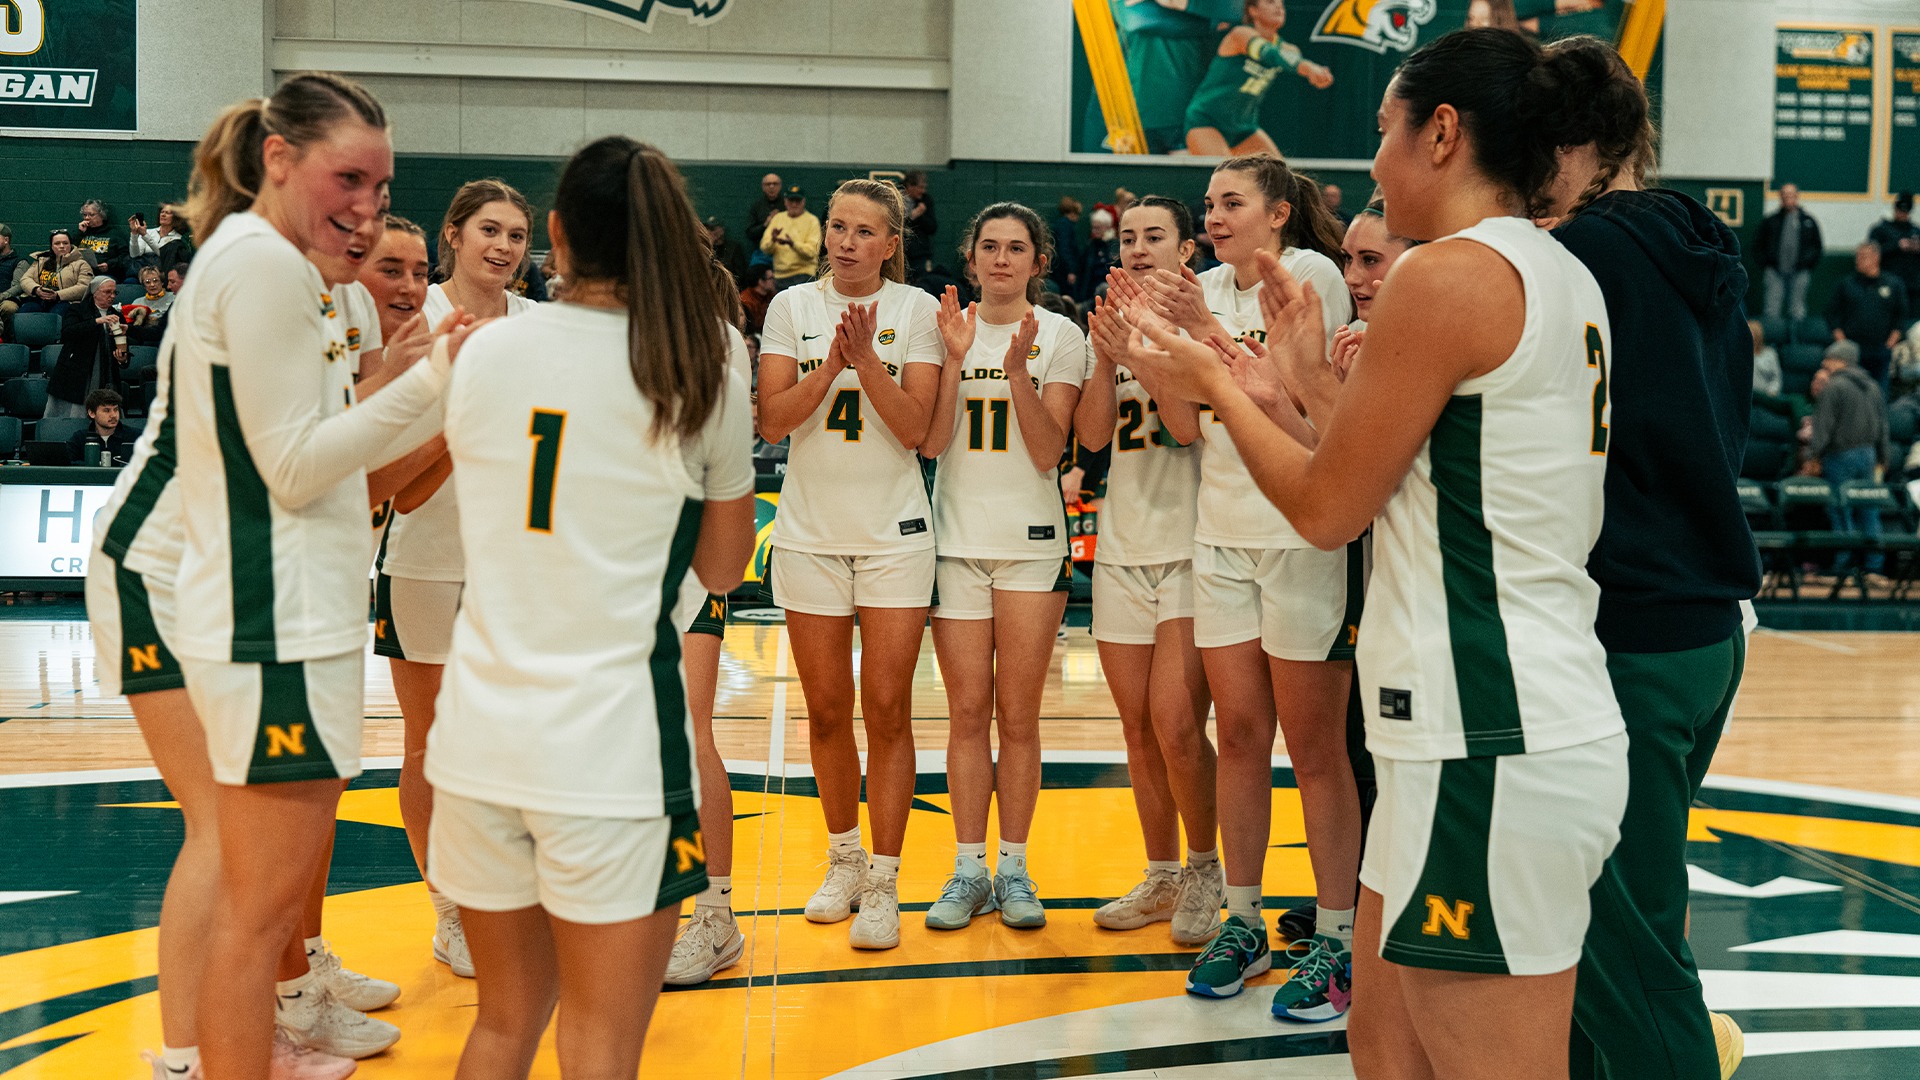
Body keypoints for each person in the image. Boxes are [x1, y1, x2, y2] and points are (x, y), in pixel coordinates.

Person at [1118, 27, 1630, 1076]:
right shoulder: (1547, 266)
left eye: (1384, 131)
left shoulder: (1449, 277)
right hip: (1465, 730)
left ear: (1443, 133)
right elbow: (1408, 481)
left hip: (1487, 725)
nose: (1372, 161)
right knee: (1384, 1047)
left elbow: (1325, 509)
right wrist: (1294, 382)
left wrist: (1215, 381)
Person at [426, 133, 755, 1080]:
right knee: (602, 1045)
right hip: (613, 751)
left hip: (481, 739)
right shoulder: (705, 364)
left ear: (557, 233)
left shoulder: (485, 351)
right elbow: (727, 570)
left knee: (500, 1025)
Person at [165, 71, 470, 1079]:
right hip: (270, 624)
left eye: (381, 187)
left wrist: (405, 379)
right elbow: (293, 464)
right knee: (255, 925)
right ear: (278, 159)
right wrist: (431, 381)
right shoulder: (257, 267)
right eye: (350, 178)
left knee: (257, 917)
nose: (367, 206)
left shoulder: (278, 266)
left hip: (288, 617)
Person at [1541, 35, 1762, 1080]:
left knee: (1622, 935)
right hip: (1707, 624)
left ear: (1573, 143)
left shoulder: (1577, 256)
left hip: (1629, 627)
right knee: (1624, 916)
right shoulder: (1702, 247)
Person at [1125, 153, 1360, 1019]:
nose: (1215, 216)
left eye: (1232, 202)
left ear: (1280, 212)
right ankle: (1245, 918)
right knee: (1243, 734)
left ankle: (1336, 940)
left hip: (1298, 529)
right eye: (1210, 203)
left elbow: (1301, 404)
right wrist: (1149, 353)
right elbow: (1189, 426)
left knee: (1317, 749)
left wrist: (1201, 335)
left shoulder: (1311, 277)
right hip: (1219, 532)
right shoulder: (1196, 288)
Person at [754, 178, 946, 951]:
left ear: (892, 244)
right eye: (837, 227)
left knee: (889, 708)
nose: (844, 241)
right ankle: (842, 859)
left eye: (865, 231)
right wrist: (828, 363)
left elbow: (917, 430)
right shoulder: (790, 308)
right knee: (828, 711)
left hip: (895, 534)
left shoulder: (918, 312)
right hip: (808, 533)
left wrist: (866, 363)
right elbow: (773, 418)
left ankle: (885, 882)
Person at [376, 177, 536, 982]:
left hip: (522, 570)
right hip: (428, 562)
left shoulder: (543, 328)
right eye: (489, 230)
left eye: (516, 234)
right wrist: (463, 424)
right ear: (453, 234)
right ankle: (449, 911)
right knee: (429, 746)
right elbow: (399, 486)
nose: (504, 247)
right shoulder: (417, 318)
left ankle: (509, 896)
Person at [920, 202, 1088, 932]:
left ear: (1037, 262)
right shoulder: (942, 328)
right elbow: (929, 442)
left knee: (1018, 716)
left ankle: (1014, 869)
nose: (1001, 260)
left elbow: (1051, 449)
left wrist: (1018, 370)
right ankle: (967, 869)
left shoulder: (1061, 335)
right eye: (989, 246)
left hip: (1031, 543)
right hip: (955, 540)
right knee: (964, 714)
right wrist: (956, 358)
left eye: (1016, 248)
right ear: (970, 256)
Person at [1075, 197, 1221, 949]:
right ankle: (1162, 871)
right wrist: (1105, 354)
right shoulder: (1106, 327)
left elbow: (1185, 424)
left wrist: (1143, 351)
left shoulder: (1200, 324)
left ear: (1185, 250)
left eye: (1153, 236)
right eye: (1128, 238)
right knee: (1136, 728)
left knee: (1176, 722)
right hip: (1123, 545)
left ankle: (1205, 869)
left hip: (1193, 547)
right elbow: (1094, 436)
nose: (1136, 248)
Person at [663, 260, 757, 986]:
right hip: (617, 565)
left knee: (692, 734)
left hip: (687, 558)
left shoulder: (717, 351)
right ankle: (650, 905)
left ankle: (715, 913)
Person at [1081, 0, 1246, 155]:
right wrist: (1206, 23)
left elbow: (1232, 12)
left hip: (1188, 109)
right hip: (1130, 111)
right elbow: (1134, 17)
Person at [1182, 0, 1333, 158]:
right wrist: (1309, 68)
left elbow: (1288, 59)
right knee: (1226, 174)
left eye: (1281, 4)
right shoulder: (1240, 35)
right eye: (1270, 2)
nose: (1279, 7)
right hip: (1207, 121)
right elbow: (1268, 53)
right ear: (1253, 10)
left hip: (1244, 127)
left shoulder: (1289, 49)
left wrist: (1316, 74)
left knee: (1282, 178)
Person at [1807, 351, 1890, 574]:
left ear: (1842, 361)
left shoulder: (1834, 386)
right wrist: (1884, 456)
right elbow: (1883, 425)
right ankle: (1873, 568)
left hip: (1841, 456)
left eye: (1829, 359)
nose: (1824, 363)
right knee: (1869, 511)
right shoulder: (1873, 386)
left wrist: (1814, 456)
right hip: (1869, 455)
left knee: (1840, 511)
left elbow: (1824, 426)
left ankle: (1845, 565)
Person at [1826, 241, 1909, 392]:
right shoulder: (1846, 284)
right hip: (1852, 350)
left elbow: (1901, 315)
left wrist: (1892, 341)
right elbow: (1832, 314)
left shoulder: (1893, 284)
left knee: (1879, 392)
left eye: (1863, 256)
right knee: (1850, 390)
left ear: (1876, 258)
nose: (1859, 260)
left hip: (1880, 350)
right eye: (1857, 256)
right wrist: (1841, 340)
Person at [356, 215, 433, 380]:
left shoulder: (422, 361)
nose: (410, 288)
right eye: (392, 271)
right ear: (352, 272)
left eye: (420, 274)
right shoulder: (322, 347)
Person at [49, 277, 128, 419]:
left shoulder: (117, 316)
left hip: (107, 371)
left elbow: (123, 344)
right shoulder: (77, 309)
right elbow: (68, 332)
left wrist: (123, 359)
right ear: (95, 293)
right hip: (78, 370)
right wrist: (97, 321)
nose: (112, 296)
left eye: (114, 293)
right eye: (107, 292)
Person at [1757, 184, 1821, 320]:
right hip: (1775, 272)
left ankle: (1795, 340)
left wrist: (1807, 264)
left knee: (1797, 309)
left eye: (1791, 195)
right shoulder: (1770, 221)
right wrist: (1767, 263)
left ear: (1797, 196)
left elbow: (1817, 247)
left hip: (1800, 272)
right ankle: (1771, 339)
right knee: (1771, 309)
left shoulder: (1808, 221)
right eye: (1785, 195)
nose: (1788, 198)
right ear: (1780, 197)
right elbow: (1758, 245)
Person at [2, 228, 94, 321]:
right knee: (23, 314)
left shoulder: (81, 264)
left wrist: (57, 295)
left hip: (65, 301)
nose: (62, 246)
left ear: (71, 245)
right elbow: (25, 279)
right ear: (52, 246)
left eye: (65, 243)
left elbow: (84, 287)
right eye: (57, 243)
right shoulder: (42, 260)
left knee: (54, 318)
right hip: (39, 299)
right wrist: (36, 289)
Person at [761, 185, 823, 291]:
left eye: (797, 201)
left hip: (804, 275)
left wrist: (793, 244)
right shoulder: (778, 218)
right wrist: (773, 240)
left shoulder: (812, 221)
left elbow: (812, 252)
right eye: (791, 200)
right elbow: (764, 248)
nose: (794, 204)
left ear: (803, 202)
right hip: (780, 276)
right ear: (785, 201)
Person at [1869, 191, 1920, 314]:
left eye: (1905, 210)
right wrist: (1896, 245)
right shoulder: (1881, 230)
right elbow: (1871, 253)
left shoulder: (1915, 231)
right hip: (1886, 283)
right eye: (1900, 209)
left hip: (1912, 286)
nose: (1902, 213)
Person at [66, 387, 140, 464]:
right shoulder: (79, 438)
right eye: (106, 410)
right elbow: (68, 464)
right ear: (92, 413)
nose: (113, 415)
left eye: (116, 409)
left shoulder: (135, 436)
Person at [130, 203, 192, 276]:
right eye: (162, 212)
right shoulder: (149, 232)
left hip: (161, 272)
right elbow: (134, 254)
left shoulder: (177, 238)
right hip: (142, 271)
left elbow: (163, 254)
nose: (163, 215)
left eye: (168, 213)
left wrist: (145, 235)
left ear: (175, 217)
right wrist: (134, 234)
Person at [124, 265, 177, 347]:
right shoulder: (137, 302)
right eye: (148, 282)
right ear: (144, 285)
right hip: (144, 337)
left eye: (156, 281)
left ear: (162, 282)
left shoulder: (173, 297)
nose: (152, 285)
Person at [77, 198, 129, 279]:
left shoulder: (114, 234)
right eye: (84, 215)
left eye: (91, 215)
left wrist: (109, 264)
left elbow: (125, 256)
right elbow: (68, 250)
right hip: (82, 273)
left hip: (106, 274)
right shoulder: (81, 232)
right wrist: (79, 233)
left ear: (101, 215)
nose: (87, 218)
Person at [903, 170, 938, 281]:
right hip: (901, 251)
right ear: (910, 186)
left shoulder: (925, 201)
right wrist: (912, 216)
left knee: (921, 282)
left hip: (920, 254)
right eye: (920, 187)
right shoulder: (896, 199)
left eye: (924, 187)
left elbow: (932, 227)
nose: (922, 191)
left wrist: (920, 216)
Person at [1051, 197, 1085, 299]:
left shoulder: (1061, 224)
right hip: (1064, 270)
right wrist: (1070, 270)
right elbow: (1064, 249)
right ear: (1073, 212)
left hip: (1061, 268)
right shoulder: (1066, 225)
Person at [706, 216, 750, 285]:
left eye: (712, 229)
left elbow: (740, 275)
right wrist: (710, 245)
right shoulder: (707, 249)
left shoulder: (733, 248)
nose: (710, 232)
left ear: (722, 230)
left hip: (730, 287)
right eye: (708, 229)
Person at [747, 171, 784, 246]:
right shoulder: (757, 206)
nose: (771, 187)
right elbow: (750, 233)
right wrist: (765, 224)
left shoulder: (788, 205)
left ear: (780, 186)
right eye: (768, 184)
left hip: (784, 248)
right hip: (762, 250)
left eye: (775, 184)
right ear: (763, 187)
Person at [739, 264, 776, 335]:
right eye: (771, 278)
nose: (774, 281)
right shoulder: (746, 300)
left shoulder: (770, 295)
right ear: (761, 282)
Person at [1751, 319, 1782, 397]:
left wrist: (1771, 392)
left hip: (1766, 396)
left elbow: (1776, 379)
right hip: (1746, 397)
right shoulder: (1738, 354)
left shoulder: (1770, 353)